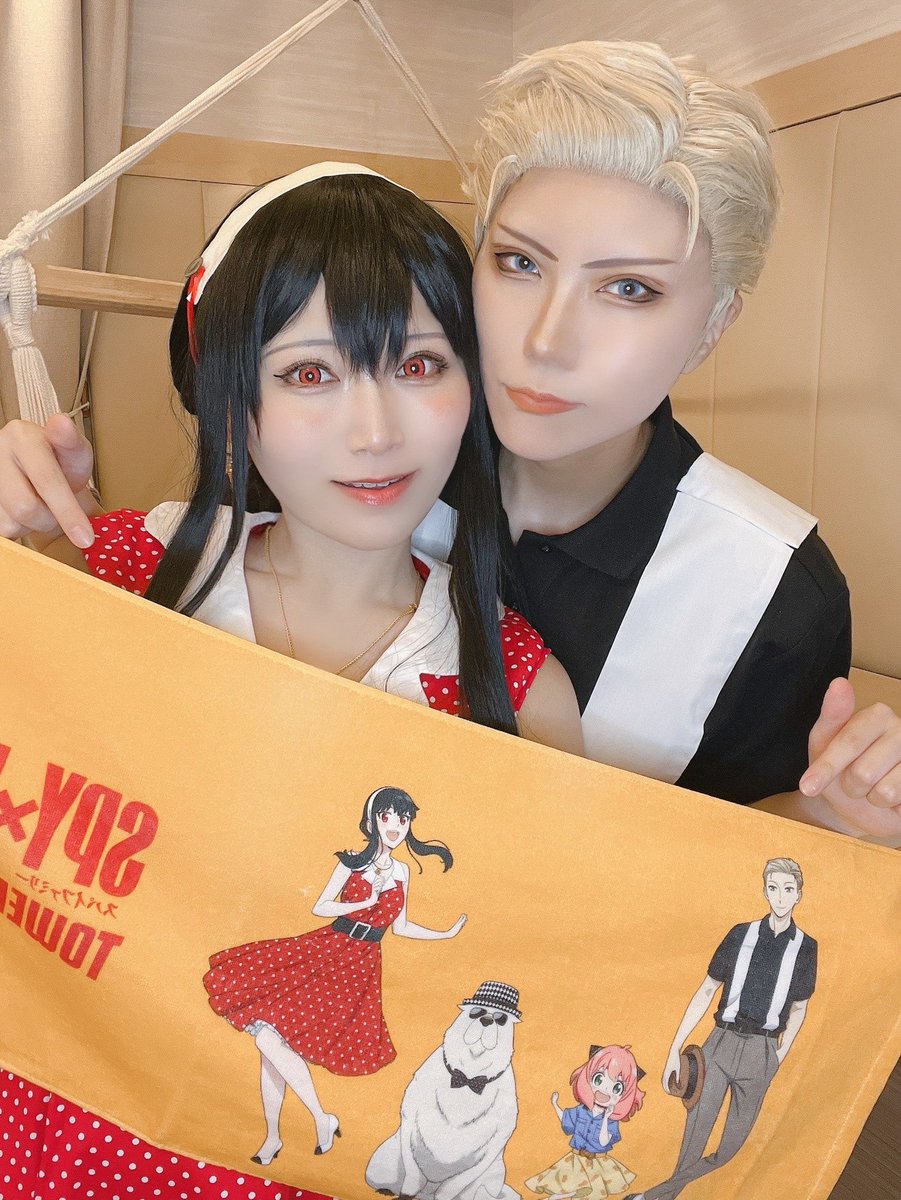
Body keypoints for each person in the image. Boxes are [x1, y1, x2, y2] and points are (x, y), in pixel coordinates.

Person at [0, 162, 582, 1199]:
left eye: (419, 364)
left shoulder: (517, 686)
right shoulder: (117, 576)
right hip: (55, 1132)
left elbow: (563, 949)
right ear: (233, 398)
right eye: (310, 374)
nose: (376, 431)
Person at [413, 40, 901, 841]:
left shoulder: (769, 590)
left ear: (712, 324)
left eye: (628, 288)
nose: (545, 340)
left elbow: (744, 850)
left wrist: (827, 814)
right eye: (518, 262)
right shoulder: (372, 463)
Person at [203, 785, 464, 1164]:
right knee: (269, 1042)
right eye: (387, 817)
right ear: (372, 821)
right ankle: (316, 1120)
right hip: (326, 951)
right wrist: (365, 900)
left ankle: (275, 1138)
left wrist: (444, 934)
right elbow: (321, 906)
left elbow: (401, 926)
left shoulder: (403, 871)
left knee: (272, 1045)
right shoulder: (352, 862)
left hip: (359, 968)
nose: (395, 826)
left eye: (403, 818)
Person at [624, 858, 815, 1200]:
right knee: (694, 1137)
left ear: (798, 894)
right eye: (773, 888)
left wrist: (779, 1055)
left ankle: (652, 1195)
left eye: (788, 889)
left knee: (729, 1149)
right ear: (764, 891)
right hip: (720, 1042)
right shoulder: (741, 934)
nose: (780, 897)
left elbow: (800, 1007)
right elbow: (707, 989)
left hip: (762, 1051)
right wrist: (674, 1048)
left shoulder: (806, 947)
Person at [526, 1044, 645, 1199]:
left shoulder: (611, 1121)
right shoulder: (581, 1111)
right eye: (599, 1079)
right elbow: (567, 1120)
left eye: (616, 1088)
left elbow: (603, 1142)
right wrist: (555, 1105)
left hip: (598, 1164)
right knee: (567, 1190)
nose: (604, 1090)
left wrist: (606, 1118)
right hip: (575, 1161)